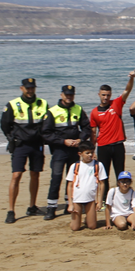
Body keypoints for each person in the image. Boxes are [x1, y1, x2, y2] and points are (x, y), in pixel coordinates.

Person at [1, 77, 49, 223]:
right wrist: (12, 139)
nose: (30, 90)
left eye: (32, 88)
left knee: (35, 175)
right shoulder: (13, 104)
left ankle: (32, 206)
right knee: (16, 175)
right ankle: (11, 210)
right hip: (20, 145)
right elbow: (5, 125)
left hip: (36, 145)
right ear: (22, 88)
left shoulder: (42, 103)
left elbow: (47, 123)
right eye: (27, 88)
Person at [40, 84, 91, 220]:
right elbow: (46, 133)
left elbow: (87, 127)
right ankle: (51, 208)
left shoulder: (78, 109)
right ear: (61, 95)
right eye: (66, 94)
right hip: (59, 150)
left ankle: (72, 204)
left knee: (74, 179)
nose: (69, 97)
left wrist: (80, 140)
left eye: (71, 95)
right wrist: (63, 141)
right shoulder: (52, 111)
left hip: (75, 150)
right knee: (56, 177)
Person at [89, 70, 135, 193]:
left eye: (108, 95)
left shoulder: (116, 104)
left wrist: (131, 78)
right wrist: (92, 150)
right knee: (103, 175)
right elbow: (93, 133)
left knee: (121, 173)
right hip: (103, 146)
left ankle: (121, 196)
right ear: (99, 94)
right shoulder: (94, 112)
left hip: (118, 145)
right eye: (103, 95)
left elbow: (127, 90)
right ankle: (104, 199)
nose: (106, 97)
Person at [65, 141, 107, 231]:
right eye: (87, 153)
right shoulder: (75, 166)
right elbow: (69, 185)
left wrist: (100, 201)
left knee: (92, 226)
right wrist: (70, 203)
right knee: (75, 228)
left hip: (90, 199)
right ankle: (78, 218)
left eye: (92, 152)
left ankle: (87, 218)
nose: (90, 155)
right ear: (80, 154)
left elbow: (102, 183)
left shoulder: (98, 165)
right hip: (77, 199)